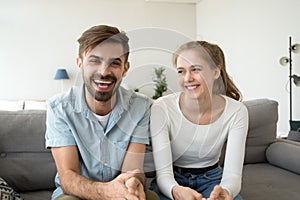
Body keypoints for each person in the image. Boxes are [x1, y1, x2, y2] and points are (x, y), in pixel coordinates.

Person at [45, 25, 159, 200]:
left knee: (150, 197)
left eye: (114, 63)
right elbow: (68, 178)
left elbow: (132, 169)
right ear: (80, 64)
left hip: (121, 192)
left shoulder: (141, 107)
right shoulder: (59, 108)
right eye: (94, 61)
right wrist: (107, 192)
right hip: (75, 194)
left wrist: (133, 182)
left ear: (125, 68)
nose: (104, 72)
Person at [150, 41, 248, 200]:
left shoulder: (237, 111)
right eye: (181, 71)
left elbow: (233, 175)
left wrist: (226, 191)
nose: (187, 78)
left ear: (216, 72)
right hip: (173, 180)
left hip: (213, 179)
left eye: (195, 69)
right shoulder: (162, 108)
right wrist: (175, 191)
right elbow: (164, 175)